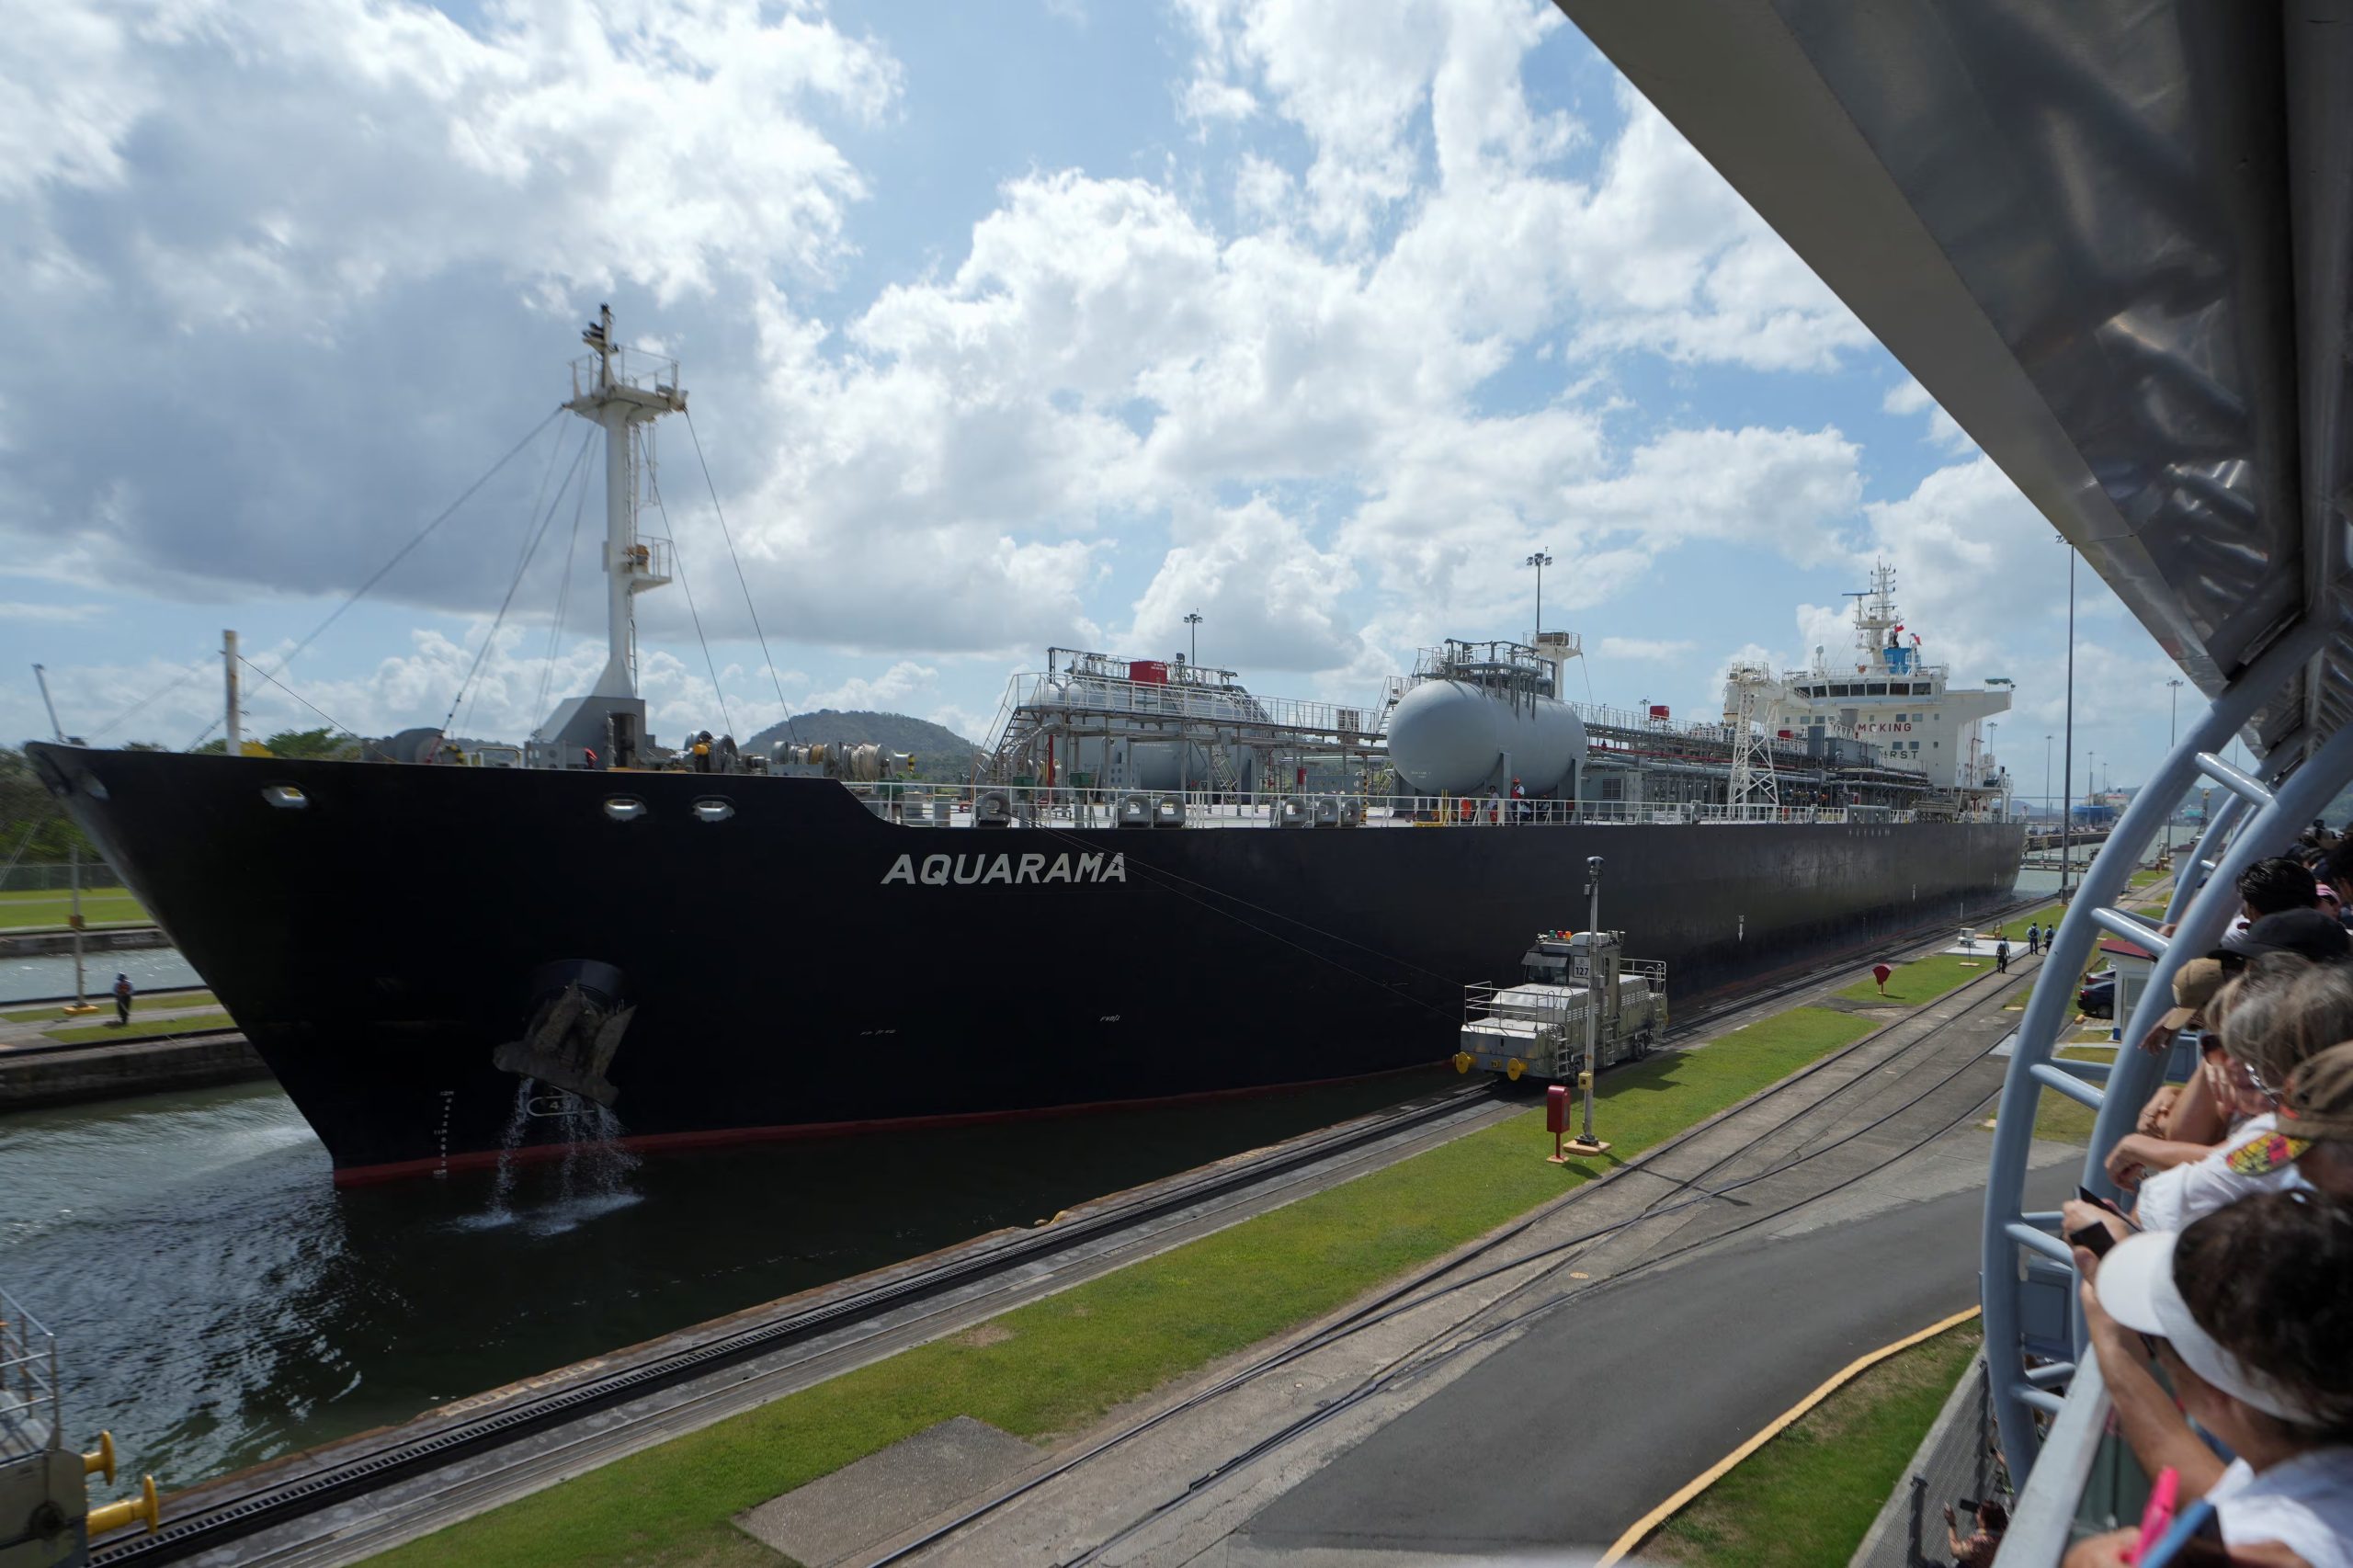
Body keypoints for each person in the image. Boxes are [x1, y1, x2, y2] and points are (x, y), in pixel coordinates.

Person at [2063, 1194, 2353, 1568]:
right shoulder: (2310, 1476)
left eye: (2166, 1347)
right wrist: (2116, 1349)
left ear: (2216, 1391)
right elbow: (2222, 1491)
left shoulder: (2252, 1547)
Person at [1942, 1499, 2006, 1567]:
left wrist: (1951, 1523)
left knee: (1934, 1565)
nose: (1976, 1514)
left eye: (1978, 1513)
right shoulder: (2003, 1536)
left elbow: (1955, 1551)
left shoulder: (1981, 1542)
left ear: (1984, 1521)